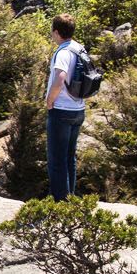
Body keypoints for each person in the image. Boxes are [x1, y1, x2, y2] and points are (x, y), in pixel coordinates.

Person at [43, 14, 88, 199]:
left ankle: (60, 204)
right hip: (78, 109)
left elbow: (60, 78)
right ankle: (71, 199)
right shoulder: (80, 49)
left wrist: (49, 100)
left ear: (56, 32)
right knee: (70, 157)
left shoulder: (62, 52)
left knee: (56, 160)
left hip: (61, 111)